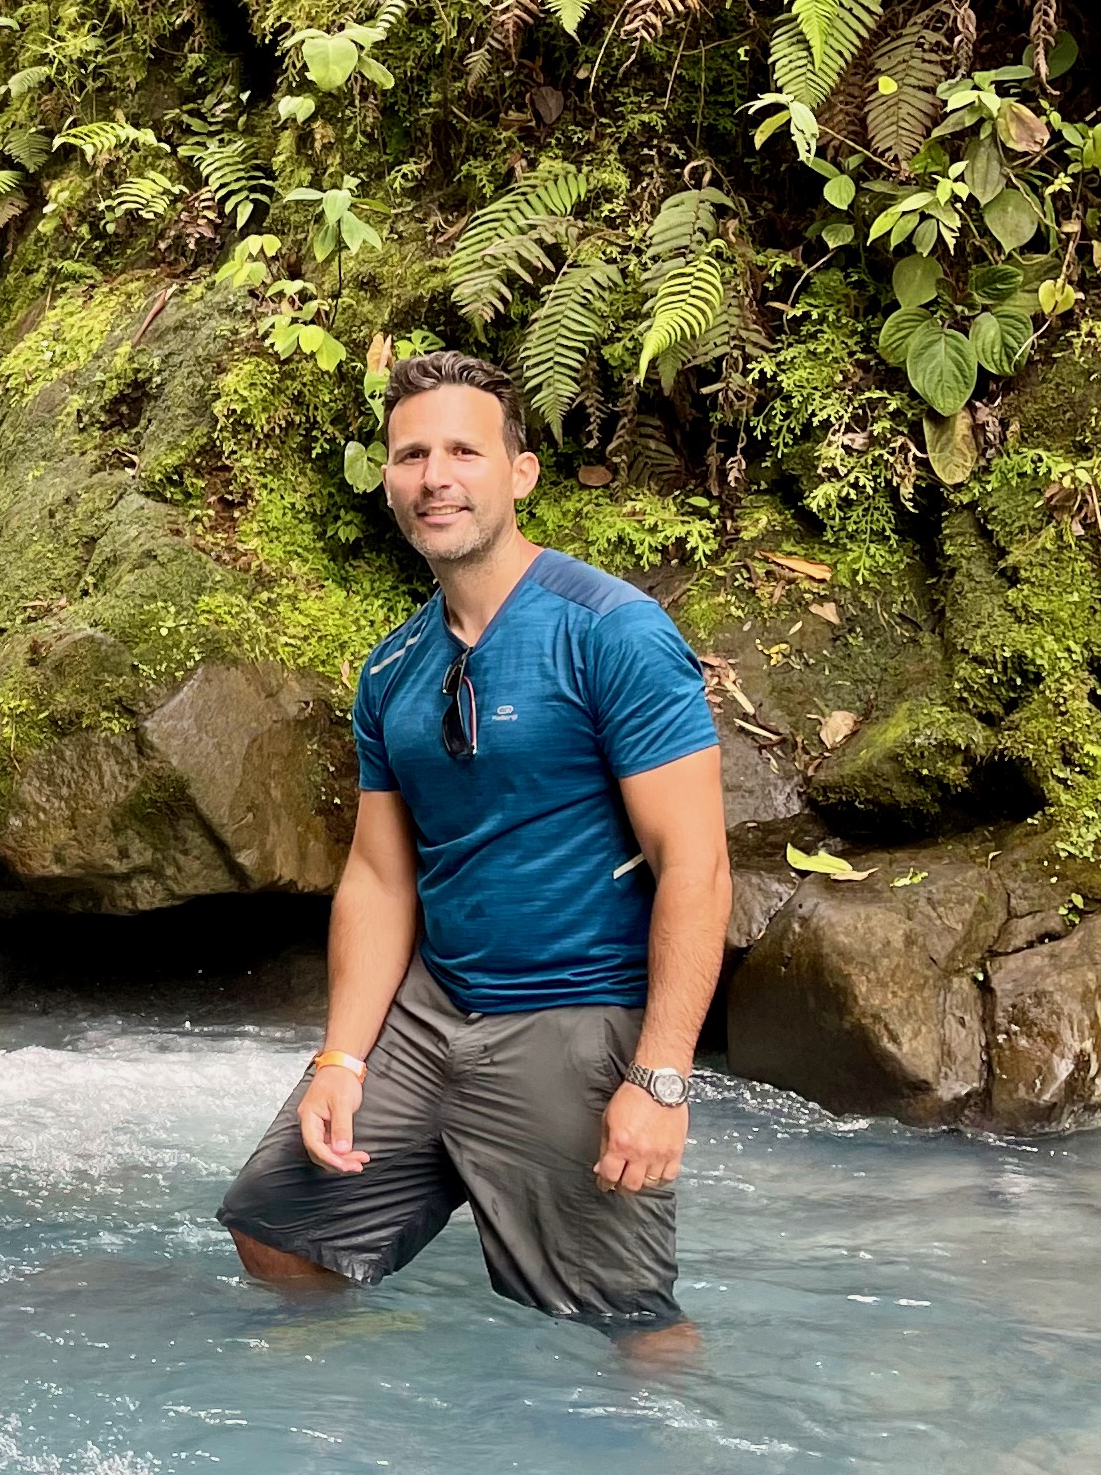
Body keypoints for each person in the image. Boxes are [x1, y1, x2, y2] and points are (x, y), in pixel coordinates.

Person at [219, 349, 731, 1356]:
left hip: (573, 1013)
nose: (435, 477)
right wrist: (341, 1059)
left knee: (623, 1329)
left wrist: (662, 1077)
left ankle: (669, 1454)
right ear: (387, 480)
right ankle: (384, 1419)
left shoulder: (612, 633)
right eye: (412, 455)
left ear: (520, 473)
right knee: (279, 1231)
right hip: (432, 1012)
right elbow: (379, 877)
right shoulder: (394, 668)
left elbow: (697, 866)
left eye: (463, 451)